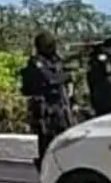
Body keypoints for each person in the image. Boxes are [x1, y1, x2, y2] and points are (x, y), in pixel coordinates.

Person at [20, 31, 72, 170]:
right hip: (44, 108)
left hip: (58, 106)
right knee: (46, 140)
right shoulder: (36, 62)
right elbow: (50, 79)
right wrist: (66, 76)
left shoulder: (55, 60)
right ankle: (45, 166)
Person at [86, 36, 111, 117]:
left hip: (101, 97)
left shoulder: (99, 58)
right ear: (110, 48)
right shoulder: (103, 60)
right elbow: (109, 79)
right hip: (104, 98)